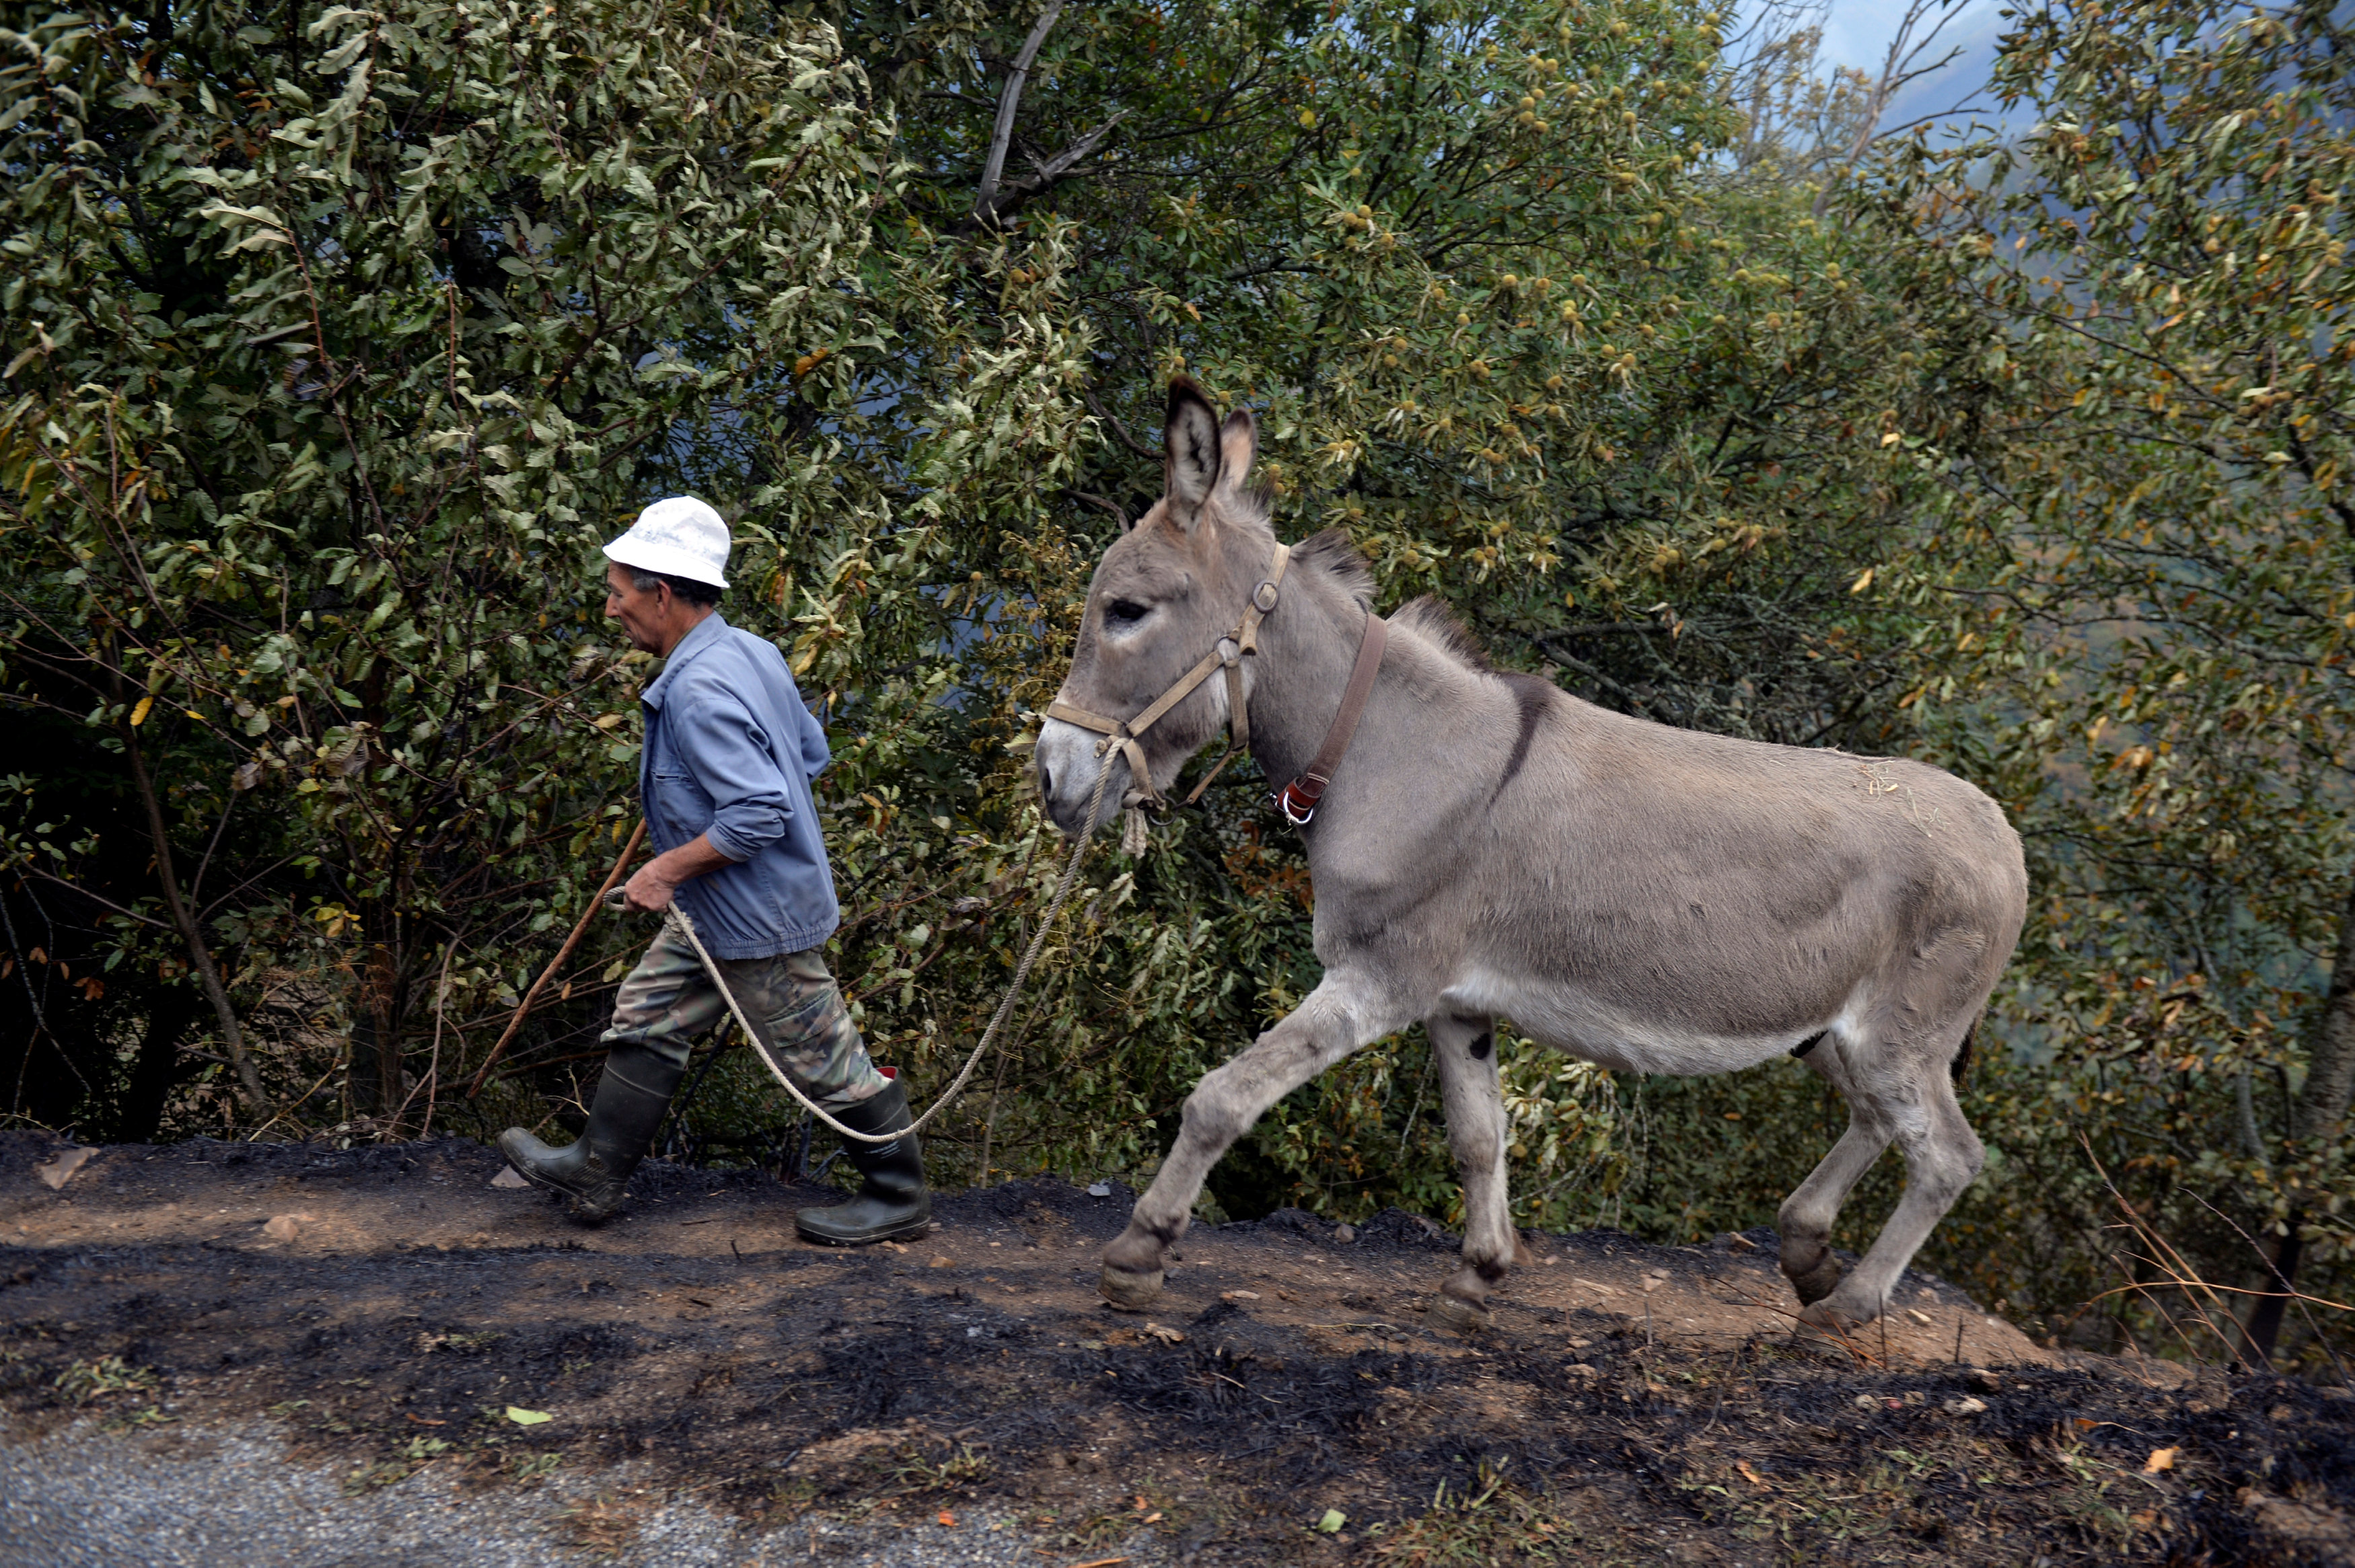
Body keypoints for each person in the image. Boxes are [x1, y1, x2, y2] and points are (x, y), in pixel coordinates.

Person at [499, 496, 931, 1244]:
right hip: (720, 905)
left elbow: (760, 811)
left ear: (662, 594)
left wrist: (666, 867)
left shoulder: (698, 689)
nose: (611, 608)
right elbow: (809, 754)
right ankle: (597, 1170)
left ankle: (900, 1196)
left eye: (618, 592)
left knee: (823, 1059)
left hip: (756, 915)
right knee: (649, 1010)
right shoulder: (750, 651)